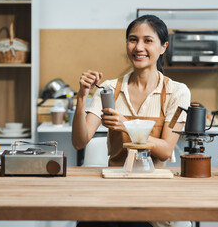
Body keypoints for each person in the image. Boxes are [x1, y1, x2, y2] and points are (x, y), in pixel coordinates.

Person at [72, 15, 191, 227]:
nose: (139, 47)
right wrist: (81, 98)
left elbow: (165, 150)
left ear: (163, 47)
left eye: (148, 40)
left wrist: (127, 124)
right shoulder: (109, 89)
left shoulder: (177, 92)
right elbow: (80, 142)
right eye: (133, 39)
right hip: (113, 188)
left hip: (154, 194)